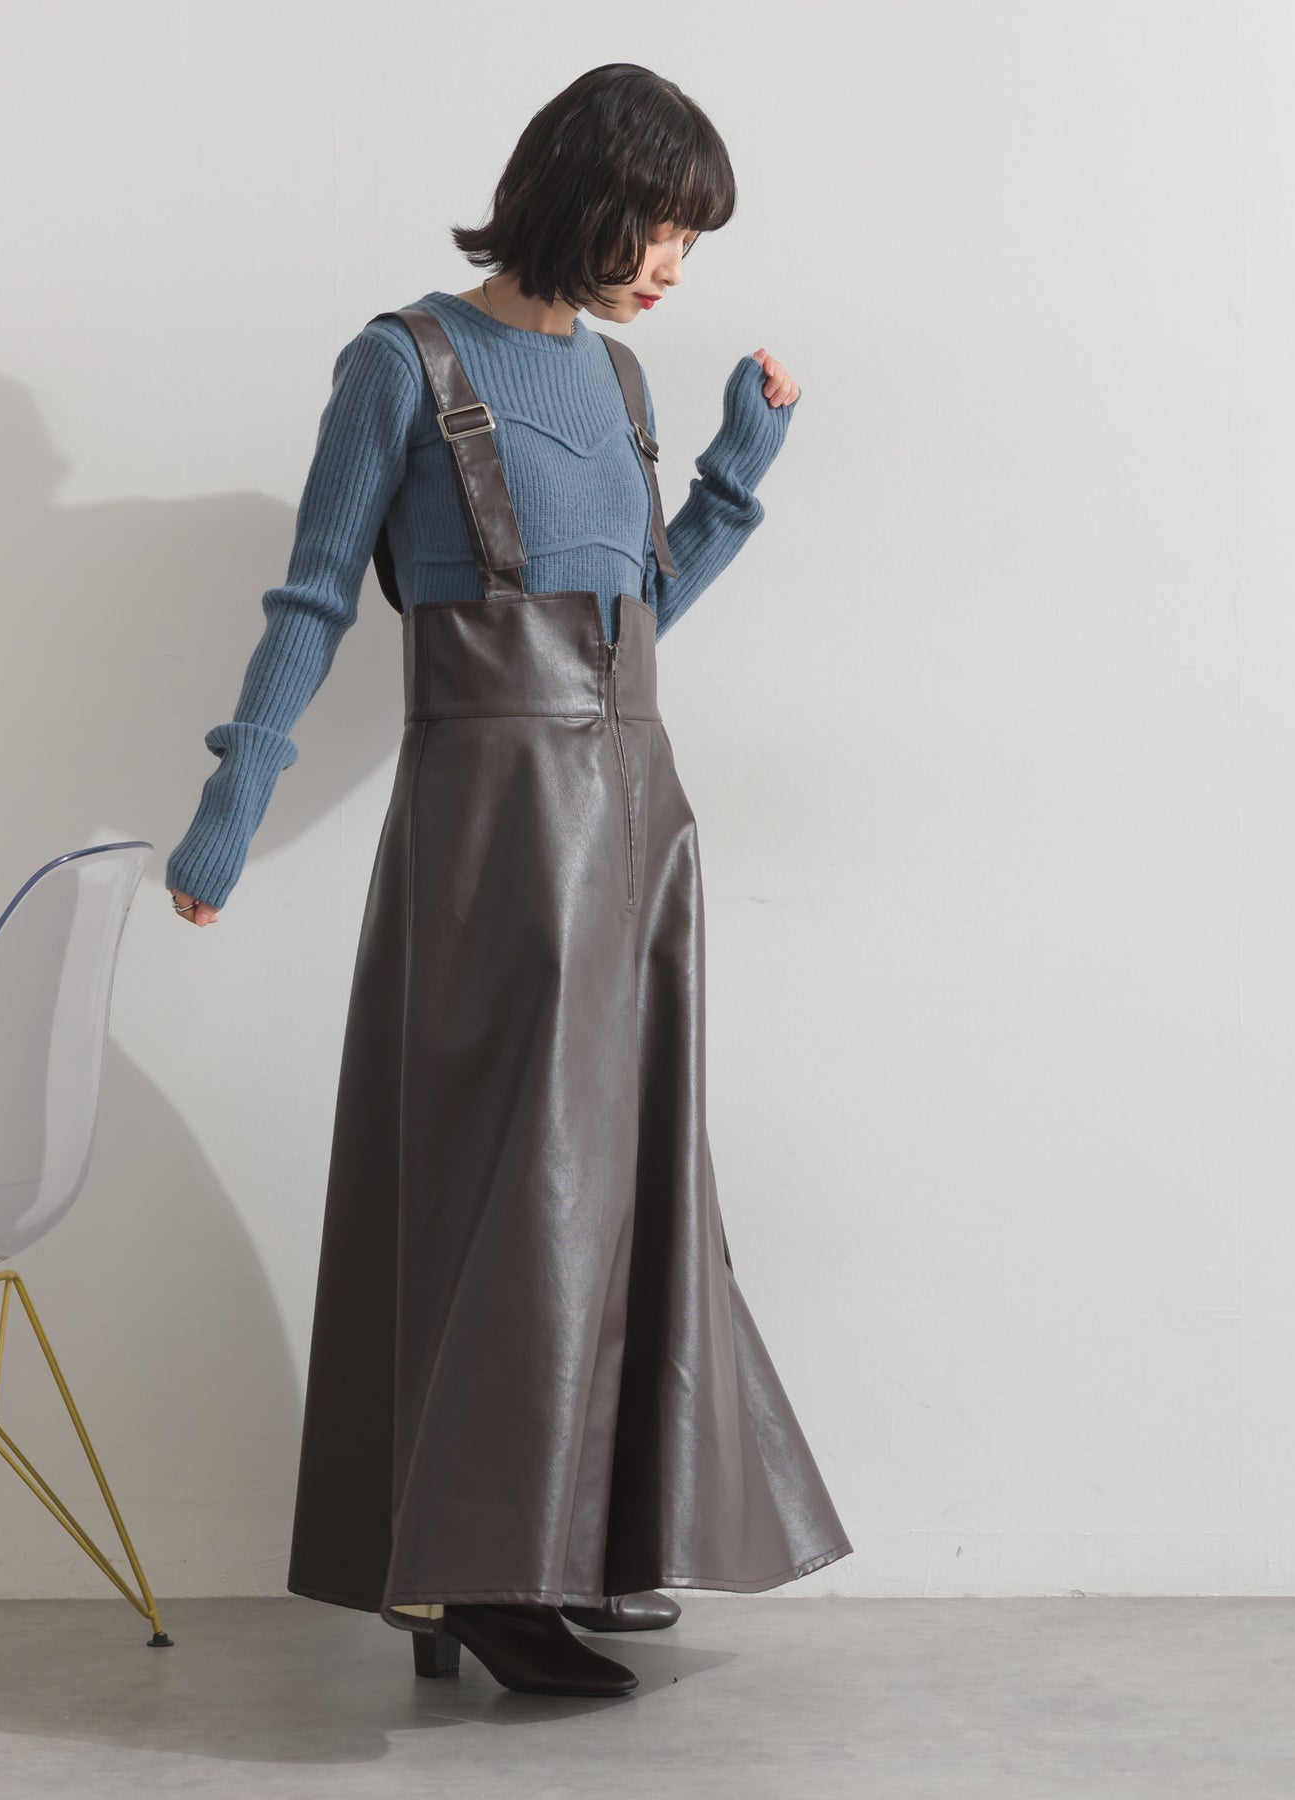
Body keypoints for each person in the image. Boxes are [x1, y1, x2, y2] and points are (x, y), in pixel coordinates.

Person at [165, 62, 852, 1700]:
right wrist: (234, 802)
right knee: (510, 1189)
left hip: (638, 813)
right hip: (493, 825)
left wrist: (733, 477)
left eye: (692, 240)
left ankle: (570, 1545)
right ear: (574, 193)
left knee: (614, 1189)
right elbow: (316, 597)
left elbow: (631, 616)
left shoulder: (618, 378)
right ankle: (473, 1573)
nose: (672, 266)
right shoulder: (401, 362)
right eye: (658, 226)